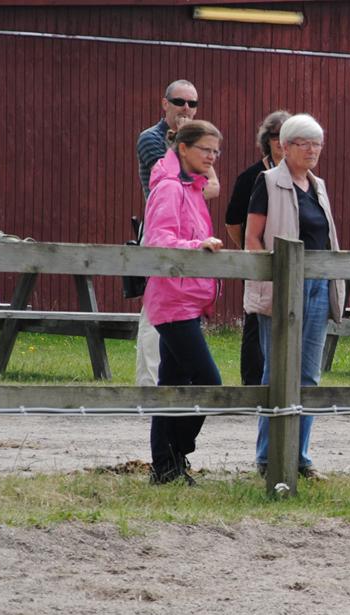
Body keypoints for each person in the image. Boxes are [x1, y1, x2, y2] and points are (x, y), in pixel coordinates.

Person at [244, 113, 345, 481]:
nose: (313, 150)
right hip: (282, 286)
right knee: (277, 371)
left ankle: (300, 458)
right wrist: (268, 279)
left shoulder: (318, 186)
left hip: (317, 286)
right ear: (285, 147)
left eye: (317, 144)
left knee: (308, 375)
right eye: (304, 144)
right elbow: (253, 238)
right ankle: (268, 458)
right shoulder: (267, 183)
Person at [141, 120, 225, 485]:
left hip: (188, 299)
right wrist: (198, 246)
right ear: (184, 148)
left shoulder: (192, 188)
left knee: (171, 383)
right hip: (172, 300)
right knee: (209, 381)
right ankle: (177, 453)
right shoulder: (170, 189)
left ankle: (166, 467)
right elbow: (157, 241)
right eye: (206, 149)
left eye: (216, 151)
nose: (211, 157)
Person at [134, 79, 220, 388]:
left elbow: (212, 188)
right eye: (180, 101)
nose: (186, 108)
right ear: (165, 103)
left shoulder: (194, 158)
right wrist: (185, 140)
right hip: (163, 240)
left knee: (173, 371)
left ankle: (168, 431)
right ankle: (148, 387)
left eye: (192, 103)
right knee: (155, 317)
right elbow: (170, 175)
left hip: (188, 252)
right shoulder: (152, 140)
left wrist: (197, 140)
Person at [226, 110, 290, 386]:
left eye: (286, 136)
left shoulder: (302, 176)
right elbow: (232, 221)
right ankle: (251, 384)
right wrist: (249, 249)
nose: (280, 141)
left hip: (291, 260)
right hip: (258, 258)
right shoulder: (251, 176)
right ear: (268, 140)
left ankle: (280, 383)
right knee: (254, 321)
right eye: (275, 136)